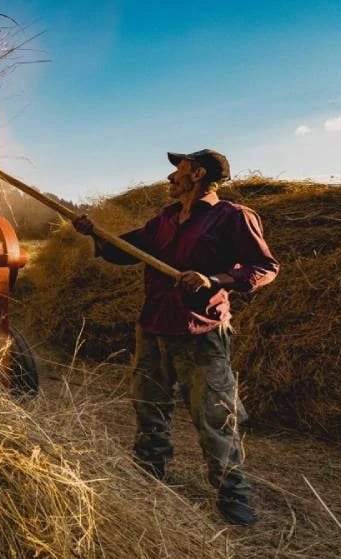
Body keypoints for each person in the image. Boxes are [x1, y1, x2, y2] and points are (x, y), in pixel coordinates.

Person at [73, 149, 279, 526]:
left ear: (197, 173)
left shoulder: (232, 217)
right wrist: (96, 235)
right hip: (153, 328)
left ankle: (232, 491)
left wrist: (213, 280)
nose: (171, 177)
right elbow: (126, 252)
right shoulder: (164, 220)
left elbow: (264, 267)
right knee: (147, 404)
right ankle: (150, 468)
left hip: (200, 330)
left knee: (214, 415)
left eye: (178, 170)